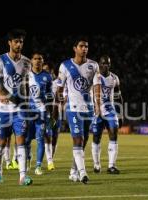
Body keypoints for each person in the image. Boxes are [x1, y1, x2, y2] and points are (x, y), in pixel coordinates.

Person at [54, 37, 101, 184]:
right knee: (77, 139)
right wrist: (60, 103)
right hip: (73, 108)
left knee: (84, 139)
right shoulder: (65, 66)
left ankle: (73, 170)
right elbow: (59, 89)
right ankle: (83, 173)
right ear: (75, 48)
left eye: (86, 46)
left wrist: (97, 104)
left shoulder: (93, 65)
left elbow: (97, 86)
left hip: (88, 108)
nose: (84, 49)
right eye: (81, 46)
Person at [0, 29, 32, 185]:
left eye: (21, 41)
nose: (19, 44)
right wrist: (2, 95)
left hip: (20, 109)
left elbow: (26, 85)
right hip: (4, 110)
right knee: (2, 141)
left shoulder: (27, 62)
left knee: (21, 140)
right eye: (16, 41)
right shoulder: (1, 60)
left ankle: (22, 176)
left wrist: (26, 102)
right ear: (9, 43)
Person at [91, 55, 123, 174]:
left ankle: (111, 166)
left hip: (110, 110)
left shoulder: (114, 78)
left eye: (108, 64)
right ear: (99, 64)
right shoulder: (94, 77)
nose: (106, 66)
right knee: (96, 137)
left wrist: (120, 115)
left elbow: (118, 97)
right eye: (103, 63)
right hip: (96, 111)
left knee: (114, 134)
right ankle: (97, 164)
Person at [25, 53, 53, 175]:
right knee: (26, 140)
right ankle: (27, 160)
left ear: (43, 61)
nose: (37, 61)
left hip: (41, 111)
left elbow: (51, 95)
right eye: (35, 59)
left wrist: (50, 113)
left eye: (40, 59)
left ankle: (38, 166)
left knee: (40, 138)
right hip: (28, 112)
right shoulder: (26, 75)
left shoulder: (47, 76)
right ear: (31, 61)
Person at [42, 63, 61, 170]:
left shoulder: (56, 83)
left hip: (56, 114)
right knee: (47, 136)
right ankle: (50, 161)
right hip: (46, 113)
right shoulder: (41, 83)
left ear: (52, 71)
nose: (45, 72)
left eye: (47, 70)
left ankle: (51, 158)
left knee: (55, 138)